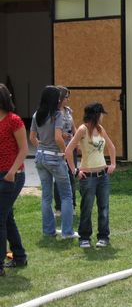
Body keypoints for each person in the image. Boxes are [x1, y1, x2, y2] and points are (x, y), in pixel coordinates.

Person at [66, 103, 116, 248]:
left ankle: (103, 236)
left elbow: (111, 147)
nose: (102, 117)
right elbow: (69, 151)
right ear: (96, 115)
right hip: (88, 177)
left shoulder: (100, 129)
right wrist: (75, 170)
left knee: (104, 207)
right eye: (101, 114)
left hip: (103, 176)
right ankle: (84, 237)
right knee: (86, 208)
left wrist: (112, 164)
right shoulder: (82, 129)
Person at [30, 86, 77, 239]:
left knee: (46, 196)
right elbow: (58, 138)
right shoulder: (56, 115)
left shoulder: (37, 114)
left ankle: (48, 231)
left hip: (40, 157)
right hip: (55, 158)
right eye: (58, 97)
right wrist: (64, 152)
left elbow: (32, 138)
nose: (60, 99)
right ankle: (67, 232)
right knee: (66, 196)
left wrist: (42, 149)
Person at [0, 84, 28, 276]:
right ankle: (19, 256)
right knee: (7, 217)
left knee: (0, 218)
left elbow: (24, 149)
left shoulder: (14, 120)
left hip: (12, 176)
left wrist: (11, 172)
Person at [53, 86, 77, 217]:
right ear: (60, 98)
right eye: (66, 97)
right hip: (59, 149)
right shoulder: (53, 113)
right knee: (59, 178)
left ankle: (72, 206)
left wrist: (76, 139)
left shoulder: (68, 111)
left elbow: (74, 127)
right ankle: (58, 207)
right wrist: (62, 135)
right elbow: (52, 132)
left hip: (70, 148)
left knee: (71, 176)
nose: (68, 99)